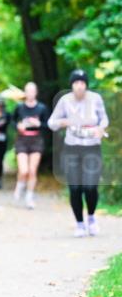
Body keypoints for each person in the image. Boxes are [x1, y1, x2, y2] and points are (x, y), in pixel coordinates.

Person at [48, 69, 109, 237]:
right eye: (76, 83)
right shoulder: (64, 101)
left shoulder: (96, 99)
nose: (80, 86)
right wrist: (63, 121)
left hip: (92, 147)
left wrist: (100, 128)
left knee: (90, 187)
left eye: (82, 83)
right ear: (72, 85)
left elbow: (104, 118)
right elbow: (51, 123)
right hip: (72, 147)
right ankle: (79, 224)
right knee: (75, 188)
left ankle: (91, 217)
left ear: (86, 85)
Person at [12, 82, 49, 209]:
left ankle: (29, 197)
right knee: (24, 170)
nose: (30, 93)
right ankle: (20, 185)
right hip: (22, 139)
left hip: (36, 139)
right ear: (25, 92)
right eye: (28, 91)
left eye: (32, 91)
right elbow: (12, 121)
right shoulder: (19, 107)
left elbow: (48, 125)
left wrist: (38, 123)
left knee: (32, 170)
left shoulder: (42, 108)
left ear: (36, 92)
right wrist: (18, 126)